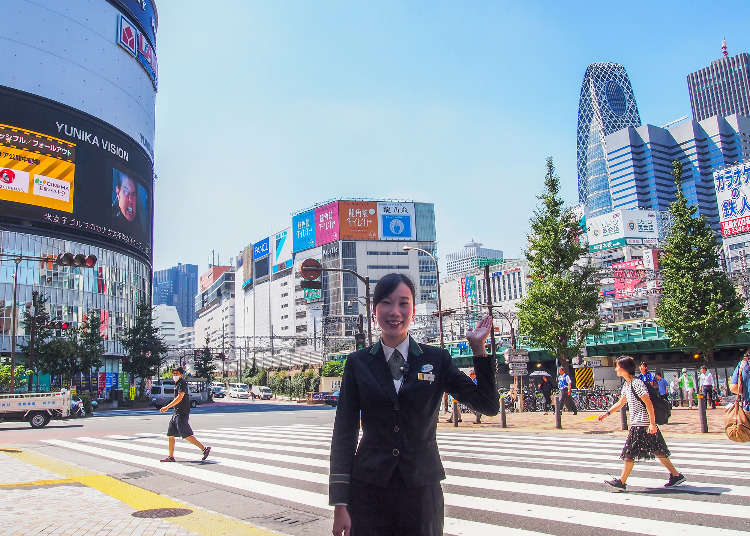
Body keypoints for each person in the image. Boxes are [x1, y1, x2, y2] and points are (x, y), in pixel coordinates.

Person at [329, 273, 499, 536]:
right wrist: (341, 502)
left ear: (413, 310)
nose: (394, 312)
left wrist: (479, 349)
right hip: (368, 490)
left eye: (403, 303)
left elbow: (487, 405)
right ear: (374, 310)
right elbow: (344, 434)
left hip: (422, 490)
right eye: (386, 303)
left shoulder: (437, 359)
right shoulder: (358, 363)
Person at [598, 356, 685, 492]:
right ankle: (676, 475)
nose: (616, 369)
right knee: (658, 450)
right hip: (643, 424)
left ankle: (622, 481)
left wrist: (652, 424)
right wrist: (607, 413)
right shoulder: (627, 384)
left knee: (629, 452)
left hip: (641, 424)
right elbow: (621, 403)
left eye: (617, 367)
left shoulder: (636, 384)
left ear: (624, 369)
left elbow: (648, 403)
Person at [159, 367, 211, 462]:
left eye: (176, 373)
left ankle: (204, 449)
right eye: (173, 373)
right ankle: (171, 456)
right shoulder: (178, 383)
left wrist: (167, 407)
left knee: (186, 435)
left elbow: (180, 397)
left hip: (182, 413)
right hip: (176, 412)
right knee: (170, 434)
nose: (174, 375)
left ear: (181, 374)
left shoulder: (182, 383)